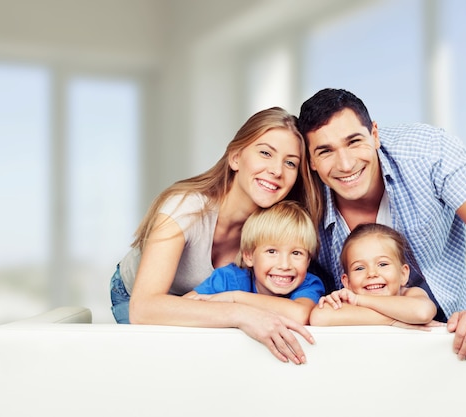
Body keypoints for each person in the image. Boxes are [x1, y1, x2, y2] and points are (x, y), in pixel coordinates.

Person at [297, 88, 466, 360]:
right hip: (357, 326)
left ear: (374, 134)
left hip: (448, 309)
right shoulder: (301, 193)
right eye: (325, 151)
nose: (346, 164)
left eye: (354, 142)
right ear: (311, 160)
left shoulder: (427, 152)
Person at [110, 106, 321, 365]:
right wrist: (241, 313)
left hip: (208, 300)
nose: (277, 170)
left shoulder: (275, 227)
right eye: (265, 153)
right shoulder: (186, 207)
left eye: (290, 163)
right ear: (235, 158)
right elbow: (143, 309)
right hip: (137, 296)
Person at [184, 200, 325, 325]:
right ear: (249, 256)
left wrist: (235, 298)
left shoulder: (309, 284)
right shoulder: (229, 278)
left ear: (308, 261)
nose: (284, 265)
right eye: (272, 251)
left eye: (296, 253)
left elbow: (299, 315)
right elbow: (183, 307)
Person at [310, 223, 437, 327]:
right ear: (347, 282)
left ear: (403, 274)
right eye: (359, 268)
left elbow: (422, 313)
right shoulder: (346, 300)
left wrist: (359, 300)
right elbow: (319, 317)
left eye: (382, 264)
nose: (371, 273)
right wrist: (395, 320)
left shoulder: (410, 294)